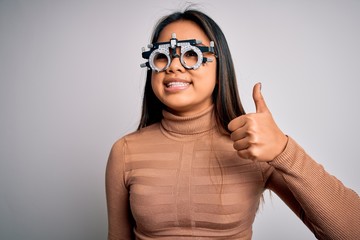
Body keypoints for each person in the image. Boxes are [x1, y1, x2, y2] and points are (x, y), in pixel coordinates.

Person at [105, 8, 360, 240]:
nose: (173, 66)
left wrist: (284, 150)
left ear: (220, 66)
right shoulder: (125, 152)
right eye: (162, 57)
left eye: (191, 55)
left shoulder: (253, 147)